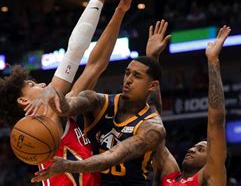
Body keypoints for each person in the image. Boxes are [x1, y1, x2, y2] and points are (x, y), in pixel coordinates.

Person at [0, 0, 145, 186]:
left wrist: (120, 10)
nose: (43, 85)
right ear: (23, 102)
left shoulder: (62, 111)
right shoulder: (48, 116)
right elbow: (73, 54)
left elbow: (95, 66)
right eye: (32, 85)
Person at [28, 22, 172, 185]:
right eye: (127, 73)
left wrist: (69, 165)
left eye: (137, 76)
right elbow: (69, 106)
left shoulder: (153, 128)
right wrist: (54, 93)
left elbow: (112, 157)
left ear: (152, 86)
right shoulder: (99, 101)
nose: (129, 80)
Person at [153, 26, 230, 186]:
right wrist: (152, 59)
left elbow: (216, 122)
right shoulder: (170, 175)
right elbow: (152, 123)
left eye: (201, 149)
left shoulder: (209, 176)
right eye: (195, 147)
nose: (192, 149)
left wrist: (213, 61)